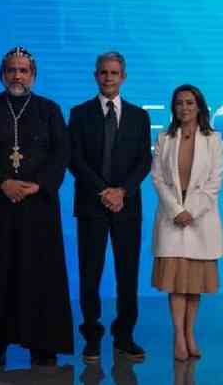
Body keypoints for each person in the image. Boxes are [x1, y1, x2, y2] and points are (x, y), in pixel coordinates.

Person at [0, 46, 74, 367]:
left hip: (38, 208)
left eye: (23, 70)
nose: (17, 76)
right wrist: (2, 183)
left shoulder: (49, 109)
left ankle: (42, 344)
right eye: (11, 70)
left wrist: (39, 184)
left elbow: (61, 153)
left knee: (40, 277)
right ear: (2, 74)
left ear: (33, 75)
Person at [68, 51, 152, 363]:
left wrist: (122, 191)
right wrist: (103, 191)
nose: (108, 78)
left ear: (123, 77)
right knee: (90, 274)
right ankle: (91, 335)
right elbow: (74, 159)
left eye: (114, 73)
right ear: (95, 76)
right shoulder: (79, 114)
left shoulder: (139, 116)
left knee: (127, 274)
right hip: (91, 206)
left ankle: (125, 335)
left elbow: (145, 160)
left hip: (127, 208)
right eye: (103, 72)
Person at [150, 84, 223, 361]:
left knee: (194, 285)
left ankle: (190, 333)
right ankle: (178, 336)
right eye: (180, 103)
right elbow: (157, 178)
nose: (184, 108)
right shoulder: (164, 138)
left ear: (199, 107)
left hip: (200, 220)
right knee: (176, 284)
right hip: (172, 219)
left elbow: (214, 181)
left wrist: (191, 211)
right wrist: (176, 210)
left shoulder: (213, 140)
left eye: (190, 103)